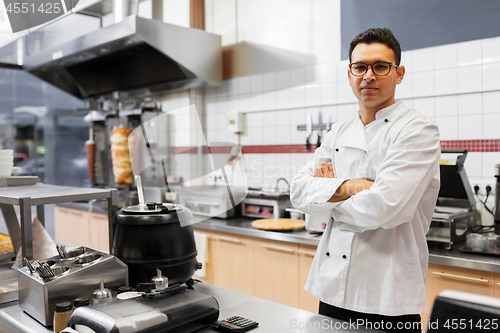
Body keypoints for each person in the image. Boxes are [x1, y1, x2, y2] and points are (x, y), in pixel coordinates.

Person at [290, 28, 440, 333]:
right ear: (349, 74)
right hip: (331, 288)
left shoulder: (418, 129)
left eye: (380, 66)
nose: (368, 75)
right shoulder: (338, 131)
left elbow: (382, 207)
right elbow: (299, 192)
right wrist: (356, 186)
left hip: (387, 293)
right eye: (360, 67)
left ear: (398, 74)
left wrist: (328, 196)